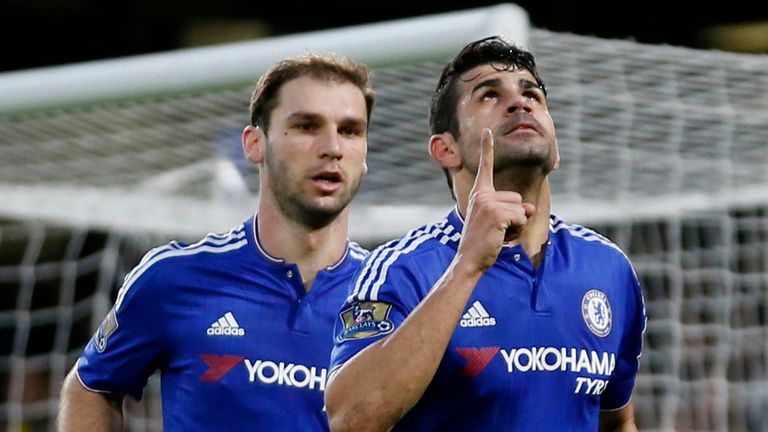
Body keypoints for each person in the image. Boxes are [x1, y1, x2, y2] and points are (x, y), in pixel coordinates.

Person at [325, 36, 646, 431]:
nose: (520, 102)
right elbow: (350, 419)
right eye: (489, 96)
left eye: (533, 95)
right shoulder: (403, 269)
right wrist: (467, 266)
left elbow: (615, 421)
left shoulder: (608, 268)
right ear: (446, 149)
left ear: (556, 149)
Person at [58, 52, 375, 431]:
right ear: (254, 144)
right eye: (307, 126)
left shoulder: (394, 293)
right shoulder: (175, 278)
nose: (332, 147)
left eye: (350, 130)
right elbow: (91, 387)